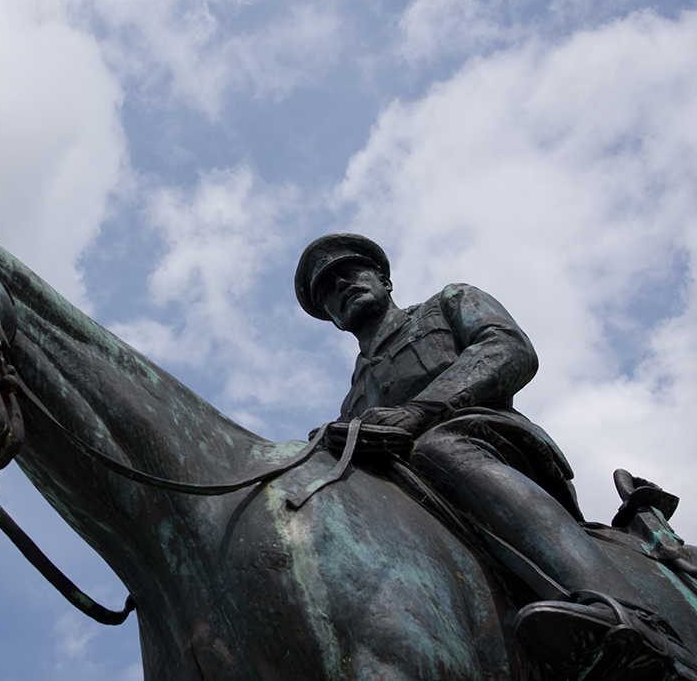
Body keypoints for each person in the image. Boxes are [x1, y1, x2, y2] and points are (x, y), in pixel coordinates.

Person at [295, 233, 696, 679]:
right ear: (332, 318)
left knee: (438, 446)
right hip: (423, 496)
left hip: (492, 444)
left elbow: (508, 349)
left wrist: (416, 414)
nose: (342, 285)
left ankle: (629, 617)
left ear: (385, 280)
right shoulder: (353, 398)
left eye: (351, 272)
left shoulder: (447, 304)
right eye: (328, 288)